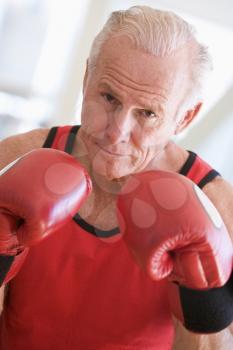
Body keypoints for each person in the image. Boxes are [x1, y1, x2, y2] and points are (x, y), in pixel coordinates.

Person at [0, 5, 232, 350]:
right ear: (86, 78)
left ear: (184, 118)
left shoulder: (219, 207)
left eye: (148, 113)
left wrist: (204, 304)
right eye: (109, 97)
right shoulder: (14, 159)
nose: (116, 132)